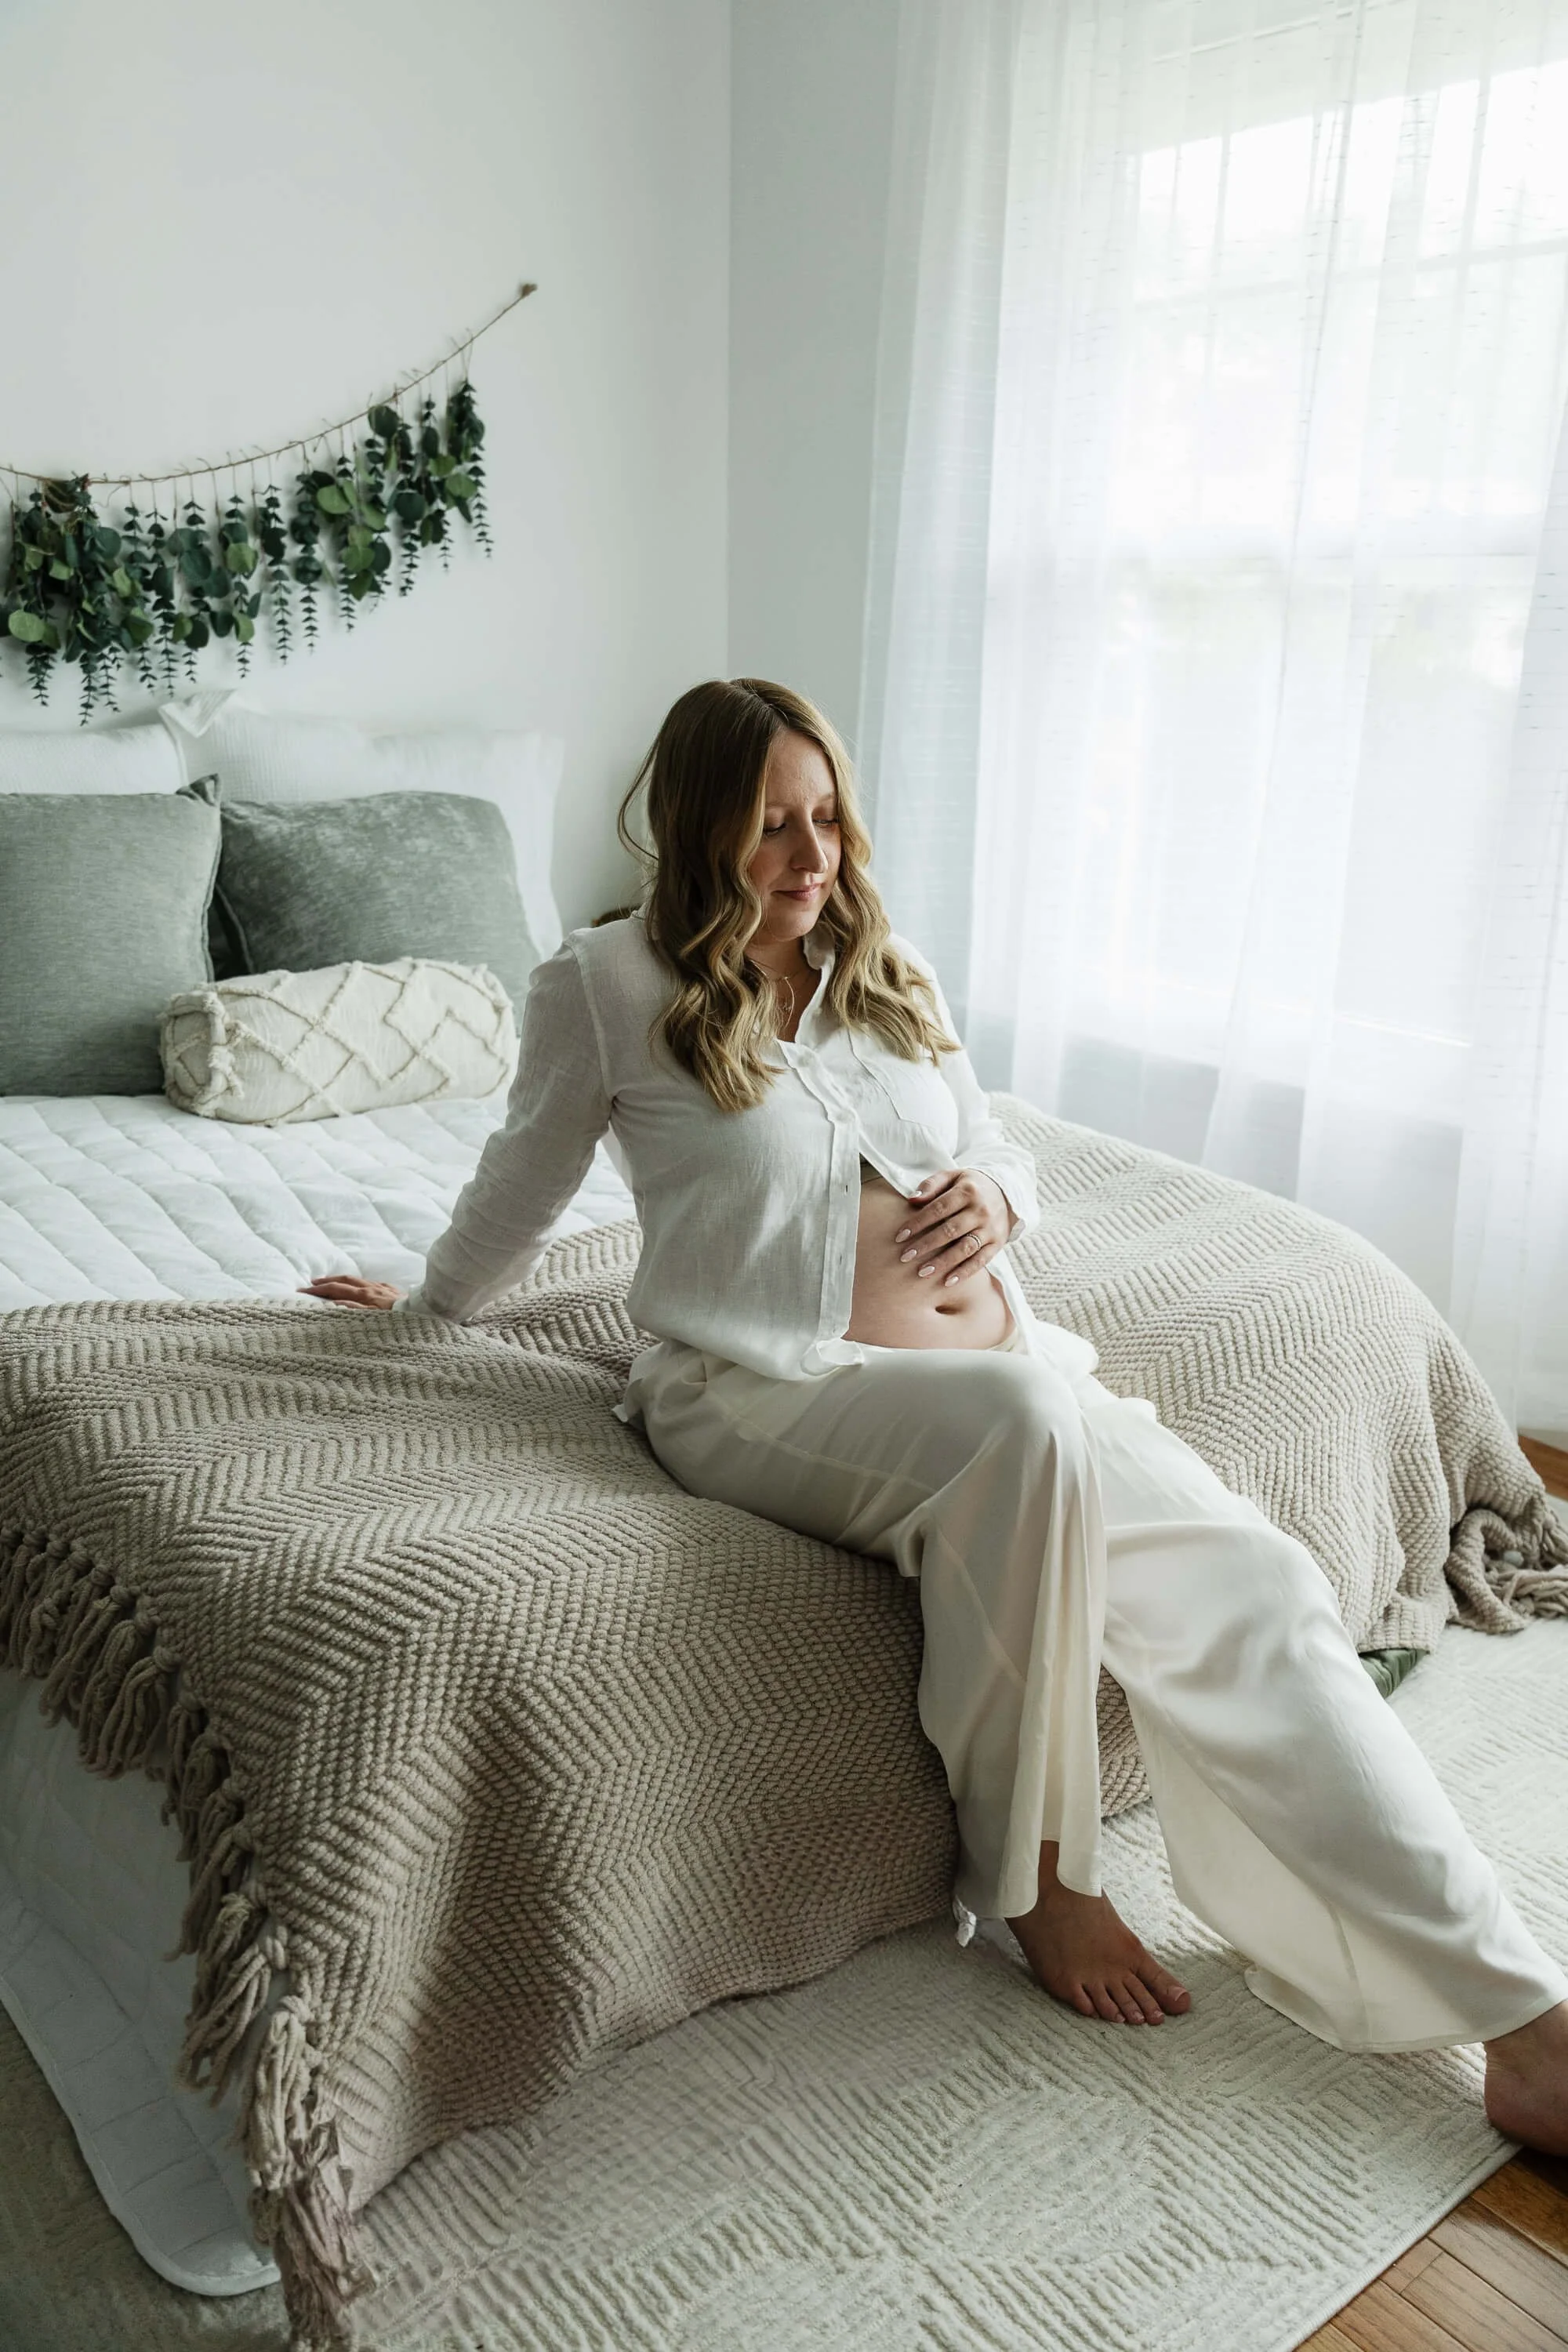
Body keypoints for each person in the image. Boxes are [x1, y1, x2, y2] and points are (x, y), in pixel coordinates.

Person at [305, 677, 1568, 2151]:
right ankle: (1036, 1874)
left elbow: (989, 1141)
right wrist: (427, 1309)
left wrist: (1000, 1195)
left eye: (825, 814)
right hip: (758, 1391)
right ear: (697, 829)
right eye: (771, 824)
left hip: (1014, 1378)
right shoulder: (605, 983)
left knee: (1263, 1585)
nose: (810, 854)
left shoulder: (879, 963)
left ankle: (1524, 2025)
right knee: (1020, 1438)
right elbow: (519, 1186)